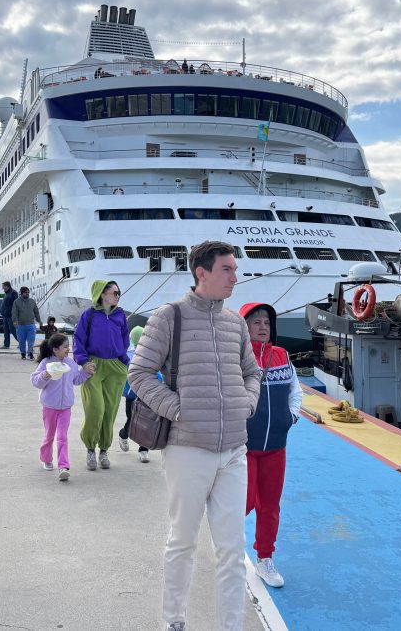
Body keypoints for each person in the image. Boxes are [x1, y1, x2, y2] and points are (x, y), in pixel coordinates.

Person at [128, 240, 261, 631]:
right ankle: (173, 620)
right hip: (187, 449)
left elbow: (252, 372)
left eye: (235, 269)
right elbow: (139, 373)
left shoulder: (235, 322)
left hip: (234, 450)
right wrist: (178, 409)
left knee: (232, 549)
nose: (234, 278)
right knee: (183, 541)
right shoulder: (169, 317)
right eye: (226, 270)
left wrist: (247, 403)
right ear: (202, 272)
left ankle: (231, 626)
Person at [239, 303, 302, 589]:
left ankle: (265, 558)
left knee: (270, 505)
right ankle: (228, 548)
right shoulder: (237, 358)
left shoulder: (282, 355)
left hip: (277, 445)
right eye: (256, 322)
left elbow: (295, 392)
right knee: (243, 501)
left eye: (266, 322)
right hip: (243, 446)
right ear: (244, 327)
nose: (262, 327)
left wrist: (290, 417)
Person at [73, 280, 129, 471]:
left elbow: (125, 340)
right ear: (102, 294)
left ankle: (104, 450)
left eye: (118, 293)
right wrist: (83, 362)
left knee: (110, 411)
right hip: (93, 366)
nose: (117, 296)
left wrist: (123, 361)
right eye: (114, 293)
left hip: (115, 367)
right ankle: (90, 448)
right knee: (95, 409)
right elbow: (78, 340)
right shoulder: (88, 315)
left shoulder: (120, 315)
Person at [30, 333, 95, 482]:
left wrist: (86, 372)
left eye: (68, 346)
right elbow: (35, 382)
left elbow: (76, 380)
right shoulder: (46, 363)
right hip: (49, 407)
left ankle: (63, 466)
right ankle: (46, 458)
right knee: (49, 435)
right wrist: (46, 374)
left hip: (65, 408)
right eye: (65, 347)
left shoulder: (70, 363)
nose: (68, 349)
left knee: (62, 436)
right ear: (55, 349)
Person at [117, 325, 154, 463]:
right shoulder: (128, 355)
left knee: (146, 421)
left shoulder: (150, 354)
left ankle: (144, 450)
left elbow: (156, 372)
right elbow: (124, 375)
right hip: (131, 395)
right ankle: (123, 434)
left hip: (146, 394)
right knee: (132, 419)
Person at [11, 285, 42, 360]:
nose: (27, 294)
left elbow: (36, 311)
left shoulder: (32, 301)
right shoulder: (16, 302)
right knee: (21, 341)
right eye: (25, 292)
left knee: (31, 340)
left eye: (28, 292)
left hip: (31, 324)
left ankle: (30, 353)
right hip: (21, 325)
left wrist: (39, 321)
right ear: (21, 293)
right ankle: (23, 353)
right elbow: (14, 312)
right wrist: (15, 321)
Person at [0, 280, 18, 348]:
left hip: (10, 315)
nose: (3, 288)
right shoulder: (7, 293)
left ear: (7, 286)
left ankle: (21, 342)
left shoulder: (13, 293)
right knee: (6, 330)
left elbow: (15, 304)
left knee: (12, 329)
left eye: (3, 287)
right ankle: (6, 344)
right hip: (5, 315)